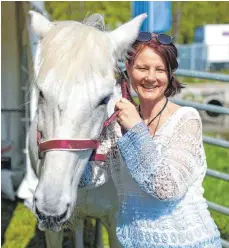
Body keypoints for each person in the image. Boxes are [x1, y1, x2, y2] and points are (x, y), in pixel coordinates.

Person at [80, 32, 221, 247]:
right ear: (127, 70)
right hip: (134, 242)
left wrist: (136, 128)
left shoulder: (186, 119)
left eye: (160, 69)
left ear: (170, 74)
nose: (151, 77)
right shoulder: (118, 122)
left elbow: (167, 188)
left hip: (189, 242)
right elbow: (92, 178)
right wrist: (65, 142)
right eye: (142, 68)